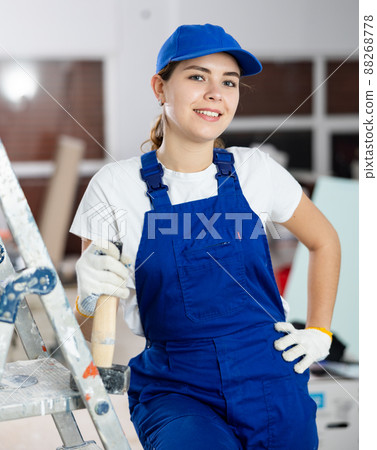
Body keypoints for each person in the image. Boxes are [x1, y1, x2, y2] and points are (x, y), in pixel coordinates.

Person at [71, 23, 341, 450]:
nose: (216, 93)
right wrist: (86, 293)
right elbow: (90, 326)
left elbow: (325, 239)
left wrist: (321, 332)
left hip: (270, 378)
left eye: (229, 82)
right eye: (198, 77)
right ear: (160, 87)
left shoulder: (256, 171)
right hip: (178, 388)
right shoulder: (114, 186)